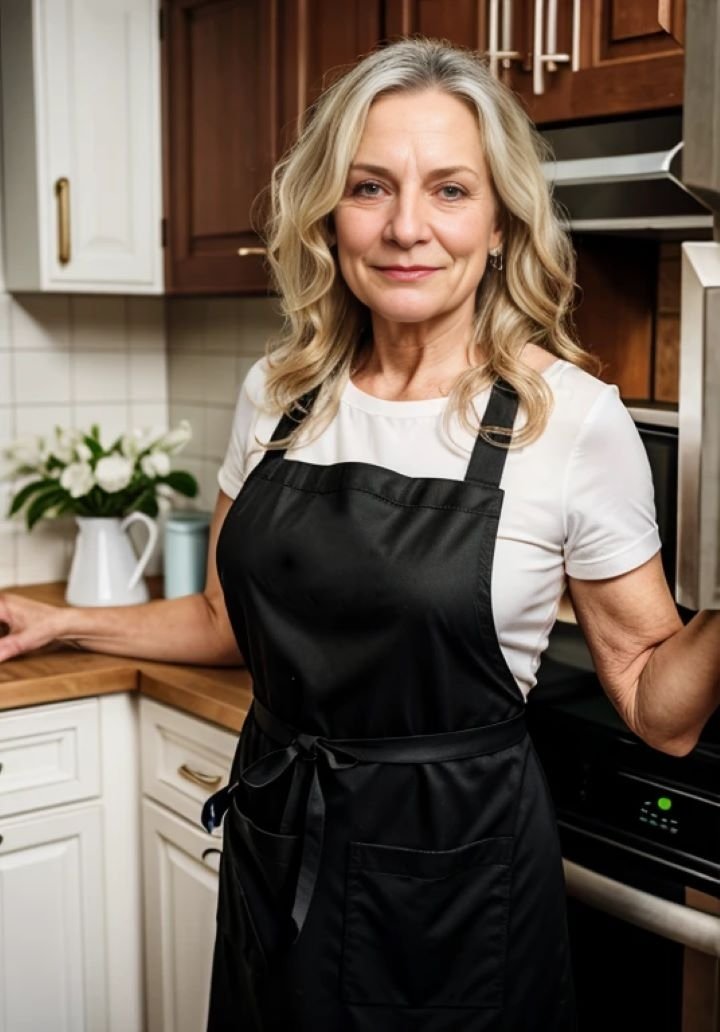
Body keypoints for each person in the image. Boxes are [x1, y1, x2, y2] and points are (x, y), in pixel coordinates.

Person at [0, 37, 718, 1032]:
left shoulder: (571, 419)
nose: (406, 226)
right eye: (370, 187)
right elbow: (222, 618)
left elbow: (655, 706)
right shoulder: (281, 391)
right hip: (277, 844)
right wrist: (63, 624)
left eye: (450, 190)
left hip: (453, 884)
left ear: (500, 224)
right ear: (329, 216)